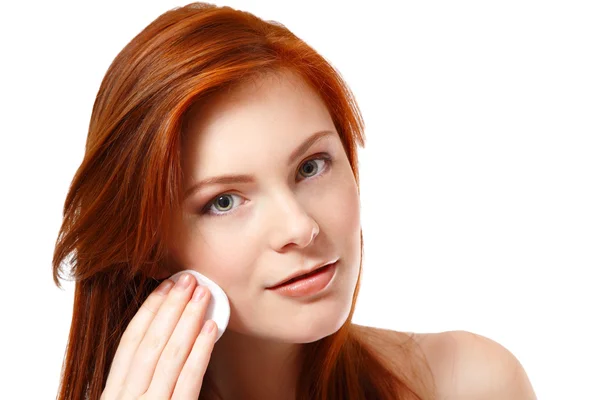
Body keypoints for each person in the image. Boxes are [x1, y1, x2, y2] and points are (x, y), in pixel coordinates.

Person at [52, 3, 537, 399]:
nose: (299, 227)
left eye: (311, 167)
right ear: (149, 246)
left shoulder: (470, 383)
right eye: (224, 201)